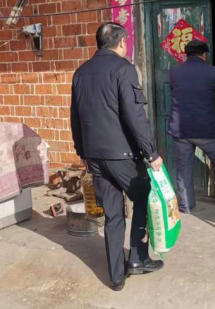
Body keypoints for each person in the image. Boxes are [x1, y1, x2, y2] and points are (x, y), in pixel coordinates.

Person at [70, 22, 164, 292]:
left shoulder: (81, 73)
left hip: (95, 157)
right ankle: (137, 258)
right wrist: (151, 153)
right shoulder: (124, 69)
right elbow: (135, 116)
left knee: (113, 215)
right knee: (143, 198)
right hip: (122, 156)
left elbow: (75, 116)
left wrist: (82, 151)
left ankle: (116, 276)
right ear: (121, 41)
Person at [169, 39, 215, 212]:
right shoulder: (213, 72)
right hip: (206, 129)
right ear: (204, 55)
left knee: (184, 168)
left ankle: (186, 205)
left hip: (181, 129)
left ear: (186, 54)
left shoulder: (174, 72)